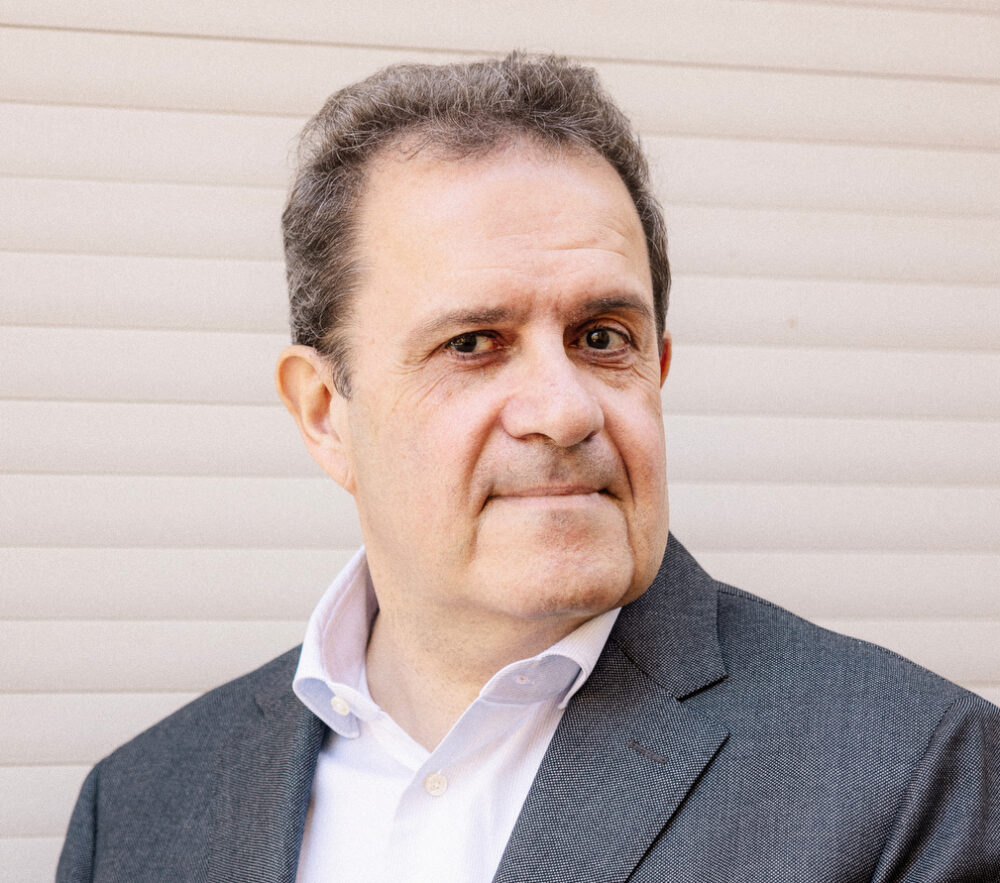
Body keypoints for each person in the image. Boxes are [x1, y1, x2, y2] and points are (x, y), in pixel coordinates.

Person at [58, 53, 999, 882]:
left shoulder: (909, 777)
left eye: (603, 337)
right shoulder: (139, 810)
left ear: (658, 367)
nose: (565, 408)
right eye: (473, 343)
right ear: (324, 413)